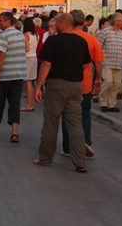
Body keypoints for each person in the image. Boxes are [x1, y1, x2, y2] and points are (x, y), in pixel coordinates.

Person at [33, 13, 91, 173]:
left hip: (57, 85)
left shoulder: (53, 41)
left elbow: (46, 64)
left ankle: (45, 158)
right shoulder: (81, 41)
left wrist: (39, 86)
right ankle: (80, 162)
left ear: (62, 24)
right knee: (75, 124)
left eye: (56, 23)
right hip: (76, 86)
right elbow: (86, 64)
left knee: (51, 122)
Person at [61, 9, 103, 158]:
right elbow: (98, 61)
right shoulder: (91, 39)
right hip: (85, 83)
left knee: (67, 115)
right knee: (85, 113)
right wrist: (98, 78)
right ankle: (85, 142)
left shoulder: (64, 37)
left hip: (66, 82)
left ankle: (68, 148)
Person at [0, 12, 26, 142]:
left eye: (1, 21)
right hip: (18, 74)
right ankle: (14, 132)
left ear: (8, 22)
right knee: (15, 102)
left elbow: (1, 56)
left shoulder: (4, 35)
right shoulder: (21, 35)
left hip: (5, 74)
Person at [96, 13, 122, 113]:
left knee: (116, 84)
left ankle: (111, 104)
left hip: (119, 63)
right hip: (107, 62)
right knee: (108, 82)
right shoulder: (105, 32)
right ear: (116, 21)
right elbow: (98, 47)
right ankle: (103, 103)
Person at [22, 17, 39, 111]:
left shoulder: (26, 35)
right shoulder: (36, 34)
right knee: (31, 82)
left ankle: (29, 105)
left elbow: (26, 48)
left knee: (27, 82)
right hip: (34, 57)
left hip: (27, 58)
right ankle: (31, 104)